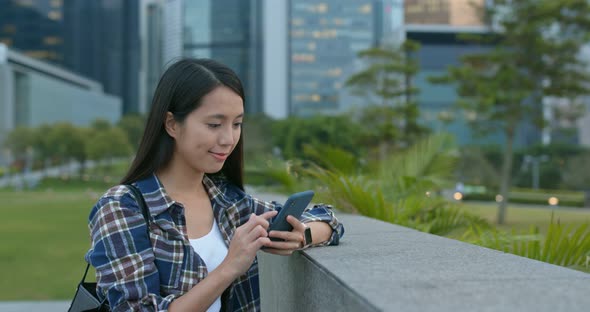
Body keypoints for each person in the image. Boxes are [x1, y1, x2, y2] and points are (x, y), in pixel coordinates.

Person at [85, 58, 344, 312]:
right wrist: (230, 266)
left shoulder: (229, 202)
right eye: (214, 124)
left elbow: (328, 219)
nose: (228, 139)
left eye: (237, 124)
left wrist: (301, 235)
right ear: (172, 124)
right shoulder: (122, 208)